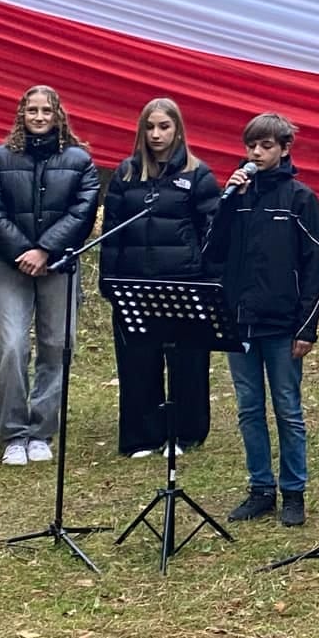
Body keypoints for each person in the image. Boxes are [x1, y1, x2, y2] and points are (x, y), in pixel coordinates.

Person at [205, 113, 319, 528]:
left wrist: (306, 327)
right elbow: (212, 252)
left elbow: (314, 266)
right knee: (248, 408)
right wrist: (226, 201)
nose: (256, 153)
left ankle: (294, 491)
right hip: (240, 321)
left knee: (287, 408)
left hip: (282, 324)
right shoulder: (237, 194)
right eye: (251, 146)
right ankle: (260, 488)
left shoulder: (300, 198)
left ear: (285, 149)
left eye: (266, 146)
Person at [0, 86, 100, 467]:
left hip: (59, 264)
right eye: (33, 110)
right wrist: (22, 252)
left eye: (47, 110)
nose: (40, 116)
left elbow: (83, 212)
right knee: (9, 347)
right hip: (12, 265)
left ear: (58, 114)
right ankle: (13, 432)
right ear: (22, 114)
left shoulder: (80, 161)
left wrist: (46, 249)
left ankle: (41, 430)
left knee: (56, 346)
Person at [99, 98, 219, 459]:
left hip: (184, 281)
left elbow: (211, 231)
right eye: (150, 127)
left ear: (178, 129)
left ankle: (186, 434)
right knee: (137, 361)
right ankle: (142, 436)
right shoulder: (125, 174)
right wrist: (109, 280)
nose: (156, 134)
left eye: (164, 127)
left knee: (187, 362)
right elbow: (111, 232)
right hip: (133, 282)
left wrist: (209, 281)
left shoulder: (198, 174)